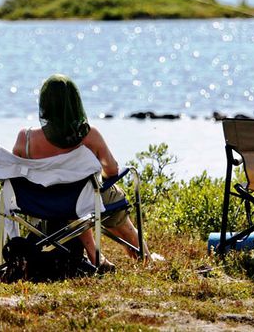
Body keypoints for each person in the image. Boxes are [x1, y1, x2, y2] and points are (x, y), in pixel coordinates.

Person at [11, 74, 158, 271]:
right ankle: (143, 255)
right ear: (75, 102)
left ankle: (96, 254)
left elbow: (18, 173)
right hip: (80, 202)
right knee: (104, 195)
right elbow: (112, 170)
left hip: (40, 203)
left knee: (83, 195)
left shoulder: (25, 138)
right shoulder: (90, 136)